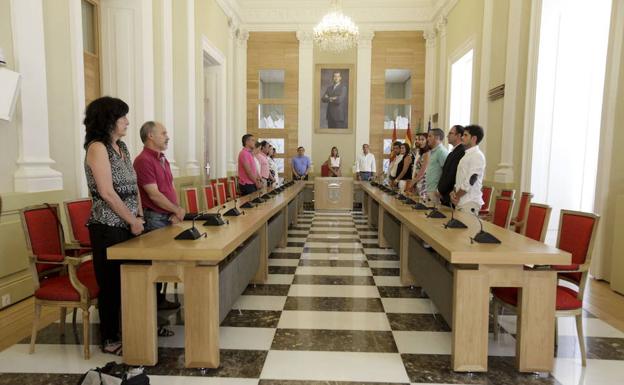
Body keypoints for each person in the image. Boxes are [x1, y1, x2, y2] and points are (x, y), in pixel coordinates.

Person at [84, 97, 144, 355]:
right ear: (109, 120)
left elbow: (133, 185)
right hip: (107, 226)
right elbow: (107, 193)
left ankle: (135, 328)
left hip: (130, 224)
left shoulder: (123, 147)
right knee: (110, 285)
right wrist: (131, 220)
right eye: (123, 118)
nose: (127, 122)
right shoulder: (97, 148)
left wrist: (139, 214)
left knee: (132, 279)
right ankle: (109, 338)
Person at [133, 121, 183, 318]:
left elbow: (169, 188)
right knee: (156, 264)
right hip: (154, 217)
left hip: (167, 216)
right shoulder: (143, 160)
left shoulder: (163, 159)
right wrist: (176, 209)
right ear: (150, 136)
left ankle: (160, 300)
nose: (167, 136)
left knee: (163, 263)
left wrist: (175, 211)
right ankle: (153, 304)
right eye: (163, 133)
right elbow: (153, 194)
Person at [451, 125, 486, 213]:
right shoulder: (467, 155)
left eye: (466, 135)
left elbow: (470, 180)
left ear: (474, 138)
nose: (462, 137)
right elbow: (461, 177)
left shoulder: (477, 155)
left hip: (469, 202)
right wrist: (454, 192)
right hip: (461, 201)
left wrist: (457, 196)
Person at [438, 125, 466, 207]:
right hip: (445, 195)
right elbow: (444, 173)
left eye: (450, 133)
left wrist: (441, 190)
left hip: (450, 195)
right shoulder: (452, 152)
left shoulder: (461, 151)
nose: (447, 136)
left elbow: (452, 174)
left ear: (459, 135)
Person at [425, 128, 449, 206]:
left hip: (436, 191)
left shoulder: (441, 151)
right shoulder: (433, 151)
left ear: (437, 138)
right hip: (430, 189)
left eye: (429, 136)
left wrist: (439, 190)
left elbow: (446, 172)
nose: (427, 139)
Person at [410, 133, 430, 201]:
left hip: (424, 184)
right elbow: (416, 170)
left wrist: (412, 183)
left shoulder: (427, 153)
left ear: (427, 141)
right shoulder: (422, 153)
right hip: (418, 183)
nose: (419, 141)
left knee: (421, 205)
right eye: (419, 139)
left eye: (422, 139)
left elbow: (422, 172)